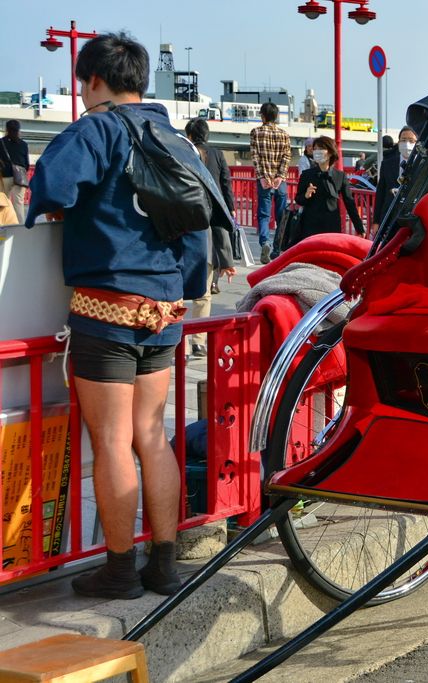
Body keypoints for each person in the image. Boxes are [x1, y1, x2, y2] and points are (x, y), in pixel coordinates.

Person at [25, 32, 211, 600]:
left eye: (83, 83)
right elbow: (198, 234)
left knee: (109, 441)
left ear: (94, 80)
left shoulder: (97, 129)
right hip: (163, 308)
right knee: (151, 435)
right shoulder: (174, 139)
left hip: (107, 309)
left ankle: (117, 568)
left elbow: (51, 186)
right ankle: (164, 564)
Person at [184, 117, 237, 357]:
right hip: (210, 224)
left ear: (189, 135)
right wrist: (231, 207)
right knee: (203, 291)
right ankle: (198, 340)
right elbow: (226, 182)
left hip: (185, 226)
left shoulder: (181, 153)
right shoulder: (217, 155)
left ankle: (177, 337)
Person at [295, 136, 365, 239]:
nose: (317, 152)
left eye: (321, 149)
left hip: (332, 225)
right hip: (310, 225)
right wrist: (306, 195)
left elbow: (349, 202)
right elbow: (298, 200)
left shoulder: (340, 176)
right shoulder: (306, 175)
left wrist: (359, 227)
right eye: (315, 149)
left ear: (330, 152)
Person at [250, 102, 290, 263]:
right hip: (281, 183)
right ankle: (277, 248)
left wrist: (262, 177)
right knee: (281, 216)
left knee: (264, 215)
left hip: (264, 181)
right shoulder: (284, 134)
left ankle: (265, 242)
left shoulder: (256, 132)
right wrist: (280, 176)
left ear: (263, 116)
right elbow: (286, 157)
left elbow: (255, 157)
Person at [372, 126, 416, 231]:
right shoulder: (387, 164)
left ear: (417, 143)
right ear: (398, 142)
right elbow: (380, 193)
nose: (407, 144)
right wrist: (376, 221)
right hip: (389, 216)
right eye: (403, 140)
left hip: (413, 217)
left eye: (411, 141)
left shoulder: (424, 165)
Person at [1, 120, 29, 223]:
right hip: (20, 177)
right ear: (18, 130)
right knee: (19, 203)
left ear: (6, 129)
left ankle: (4, 223)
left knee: (4, 201)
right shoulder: (23, 144)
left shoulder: (1, 142)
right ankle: (20, 226)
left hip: (6, 175)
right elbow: (26, 163)